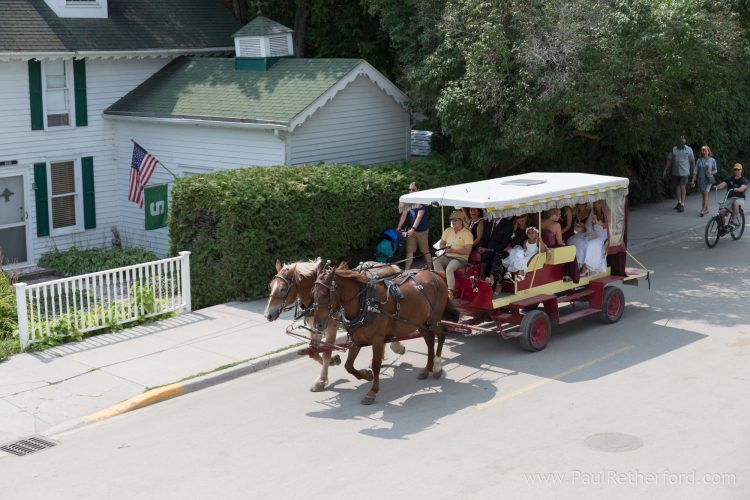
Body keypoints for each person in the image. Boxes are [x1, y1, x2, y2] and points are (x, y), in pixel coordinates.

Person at [433, 210, 474, 300]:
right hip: (448, 255)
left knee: (449, 268)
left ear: (461, 221)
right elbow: (442, 244)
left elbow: (467, 251)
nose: (453, 222)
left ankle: (450, 292)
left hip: (460, 258)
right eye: (452, 220)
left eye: (455, 220)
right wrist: (444, 247)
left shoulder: (467, 234)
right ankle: (442, 283)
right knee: (435, 261)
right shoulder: (448, 230)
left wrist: (453, 250)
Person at [396, 182, 432, 270]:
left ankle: (431, 269)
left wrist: (413, 229)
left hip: (422, 231)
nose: (411, 191)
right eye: (409, 190)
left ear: (418, 190)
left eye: (413, 189)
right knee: (409, 251)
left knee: (425, 251)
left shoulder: (422, 202)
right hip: (411, 231)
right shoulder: (408, 202)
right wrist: (398, 227)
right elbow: (404, 215)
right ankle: (406, 271)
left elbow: (419, 217)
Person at [663, 135, 695, 213]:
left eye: (683, 139)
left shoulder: (689, 149)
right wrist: (665, 170)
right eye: (680, 139)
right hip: (675, 172)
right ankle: (679, 202)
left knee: (682, 186)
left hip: (684, 172)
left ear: (685, 141)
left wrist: (693, 171)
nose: (681, 141)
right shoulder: (674, 149)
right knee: (677, 186)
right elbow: (669, 160)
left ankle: (683, 204)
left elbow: (692, 161)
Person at [477, 216, 513, 280]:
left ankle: (489, 281)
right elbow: (483, 238)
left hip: (499, 251)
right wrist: (480, 247)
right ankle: (480, 279)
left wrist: (488, 250)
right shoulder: (488, 222)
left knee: (490, 257)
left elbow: (504, 244)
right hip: (485, 251)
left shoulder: (507, 224)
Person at [713, 163, 748, 228]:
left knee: (736, 203)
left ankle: (733, 221)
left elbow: (743, 187)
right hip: (729, 198)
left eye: (738, 169)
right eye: (735, 169)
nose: (736, 171)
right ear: (733, 170)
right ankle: (723, 228)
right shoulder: (730, 179)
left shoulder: (743, 180)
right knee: (721, 212)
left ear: (741, 170)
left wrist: (738, 189)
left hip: (740, 198)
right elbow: (723, 184)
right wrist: (717, 187)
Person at [580, 199, 609, 276]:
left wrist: (597, 222)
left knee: (591, 244)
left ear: (602, 203)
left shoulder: (607, 212)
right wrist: (585, 227)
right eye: (595, 203)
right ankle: (581, 264)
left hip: (604, 235)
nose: (596, 205)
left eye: (598, 203)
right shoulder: (593, 213)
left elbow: (608, 225)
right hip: (596, 234)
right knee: (581, 240)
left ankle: (588, 267)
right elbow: (589, 226)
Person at [691, 145, 718, 217]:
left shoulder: (712, 160)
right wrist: (693, 180)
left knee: (705, 194)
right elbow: (695, 171)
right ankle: (707, 209)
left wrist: (711, 172)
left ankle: (703, 210)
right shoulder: (699, 160)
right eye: (702, 150)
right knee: (703, 195)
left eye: (705, 150)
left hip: (708, 180)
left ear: (708, 151)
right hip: (701, 179)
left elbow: (715, 170)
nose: (704, 151)